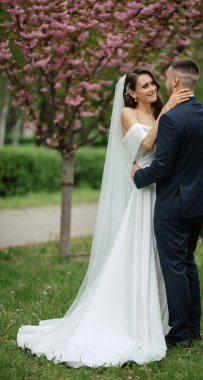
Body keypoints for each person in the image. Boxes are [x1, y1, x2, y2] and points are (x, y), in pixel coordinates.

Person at [16, 67, 191, 367]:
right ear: (132, 93)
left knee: (161, 259)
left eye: (153, 84)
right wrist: (170, 108)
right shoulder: (128, 115)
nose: (152, 89)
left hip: (160, 193)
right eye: (145, 86)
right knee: (140, 255)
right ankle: (129, 320)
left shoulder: (160, 112)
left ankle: (163, 319)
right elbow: (146, 144)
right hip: (142, 197)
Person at [132, 59, 203, 348]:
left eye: (167, 78)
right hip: (201, 204)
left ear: (176, 83)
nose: (164, 83)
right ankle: (193, 328)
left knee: (175, 267)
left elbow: (162, 168)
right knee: (188, 264)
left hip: (173, 206)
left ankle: (181, 333)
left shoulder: (172, 119)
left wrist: (137, 175)